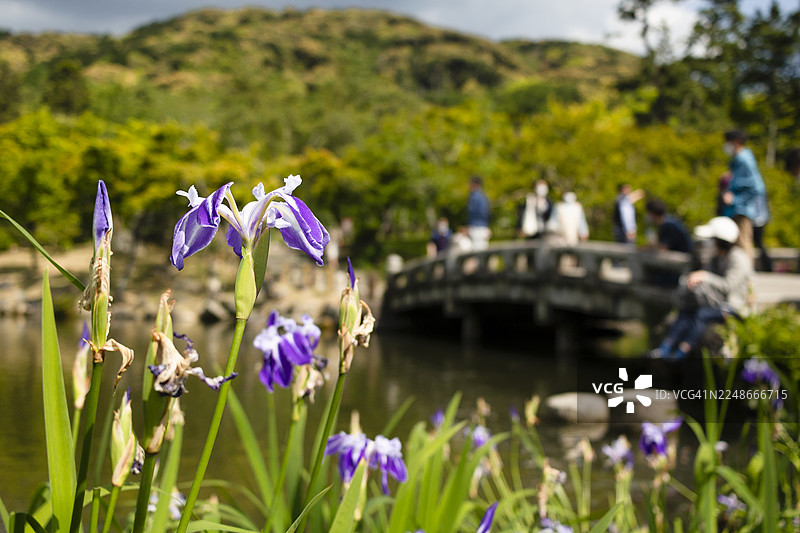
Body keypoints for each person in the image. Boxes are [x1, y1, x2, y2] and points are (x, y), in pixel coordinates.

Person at [650, 216, 752, 359]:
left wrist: (705, 276)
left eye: (711, 240)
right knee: (686, 310)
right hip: (717, 302)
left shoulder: (738, 257)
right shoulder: (717, 257)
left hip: (734, 306)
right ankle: (665, 349)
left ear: (719, 241)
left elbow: (728, 286)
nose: (707, 243)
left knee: (701, 314)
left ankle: (682, 351)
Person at [720, 129, 766, 265]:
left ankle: (746, 275)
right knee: (739, 243)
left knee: (743, 243)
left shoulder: (744, 159)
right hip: (738, 209)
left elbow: (756, 188)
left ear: (737, 142)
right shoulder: (740, 160)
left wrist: (735, 199)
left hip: (743, 209)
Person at [466, 175, 491, 250]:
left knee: (477, 251)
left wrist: (469, 225)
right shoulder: (484, 196)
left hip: (476, 228)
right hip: (482, 227)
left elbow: (474, 213)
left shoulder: (474, 196)